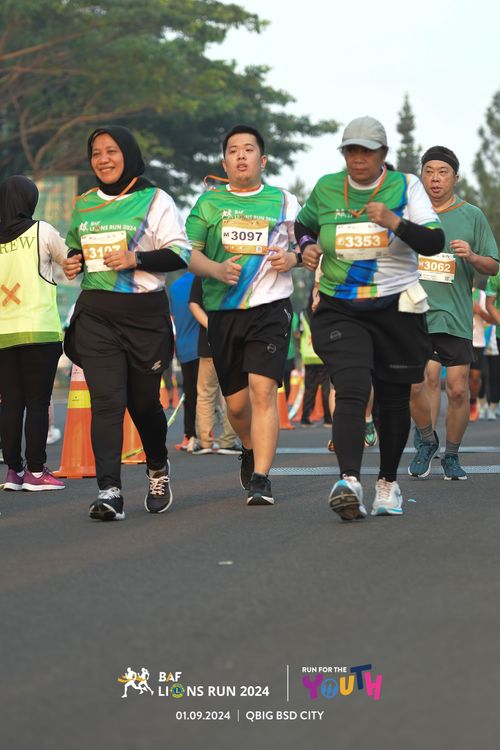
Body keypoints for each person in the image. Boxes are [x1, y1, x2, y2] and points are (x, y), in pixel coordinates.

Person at [295, 116, 445, 521]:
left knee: (393, 398)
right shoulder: (327, 188)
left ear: (383, 154)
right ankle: (348, 482)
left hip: (396, 306)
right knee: (352, 386)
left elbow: (434, 241)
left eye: (366, 150)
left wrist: (394, 221)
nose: (358, 158)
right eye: (351, 150)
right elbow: (303, 225)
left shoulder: (405, 186)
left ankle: (387, 484)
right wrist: (307, 247)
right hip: (341, 306)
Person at [62, 126, 194, 521]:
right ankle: (110, 491)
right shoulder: (84, 203)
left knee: (143, 404)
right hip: (96, 313)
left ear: (128, 154)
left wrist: (137, 259)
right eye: (96, 152)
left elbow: (180, 254)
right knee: (107, 401)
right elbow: (77, 245)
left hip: (144, 316)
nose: (103, 159)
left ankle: (157, 465)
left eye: (111, 151)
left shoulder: (155, 200)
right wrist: (73, 261)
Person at [185, 124, 301, 505]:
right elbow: (188, 253)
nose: (240, 156)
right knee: (236, 405)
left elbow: (310, 246)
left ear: (262, 160)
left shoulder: (285, 201)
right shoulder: (208, 204)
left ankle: (262, 478)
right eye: (233, 150)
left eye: (248, 149)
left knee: (263, 392)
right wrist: (216, 270)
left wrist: (293, 259)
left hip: (270, 308)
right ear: (224, 162)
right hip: (223, 312)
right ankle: (249, 447)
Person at [409, 147, 498, 480]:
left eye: (442, 172)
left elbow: (493, 264)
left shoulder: (472, 215)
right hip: (413, 312)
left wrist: (472, 257)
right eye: (429, 171)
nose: (435, 178)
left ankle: (452, 455)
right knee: (417, 384)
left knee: (458, 389)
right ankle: (426, 439)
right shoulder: (409, 213)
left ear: (455, 178)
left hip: (455, 315)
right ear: (422, 175)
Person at [0, 175, 66, 492]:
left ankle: (13, 472)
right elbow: (69, 261)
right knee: (38, 402)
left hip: (3, 335)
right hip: (39, 330)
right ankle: (37, 472)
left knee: (10, 403)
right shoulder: (42, 231)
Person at [188, 276, 240, 454]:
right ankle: (228, 441)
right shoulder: (237, 268)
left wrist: (211, 326)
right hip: (233, 339)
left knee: (205, 394)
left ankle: (205, 442)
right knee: (232, 392)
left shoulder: (202, 271)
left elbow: (194, 305)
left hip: (208, 342)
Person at [168, 272, 200, 452]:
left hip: (183, 346)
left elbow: (173, 316)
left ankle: (189, 436)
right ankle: (204, 435)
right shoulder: (203, 281)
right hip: (202, 345)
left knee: (189, 392)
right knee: (205, 394)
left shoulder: (175, 286)